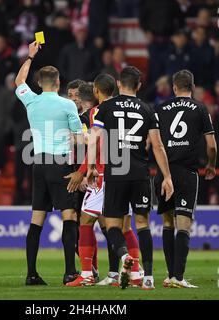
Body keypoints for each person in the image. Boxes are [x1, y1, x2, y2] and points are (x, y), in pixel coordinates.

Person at [87, 66, 174, 290]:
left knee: (113, 224)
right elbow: (157, 145)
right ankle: (148, 278)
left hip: (115, 173)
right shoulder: (147, 109)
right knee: (142, 224)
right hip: (140, 174)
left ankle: (125, 255)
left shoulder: (105, 108)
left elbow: (94, 138)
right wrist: (167, 177)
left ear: (118, 84)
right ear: (139, 85)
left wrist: (90, 167)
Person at [65, 73, 143, 287]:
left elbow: (95, 144)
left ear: (97, 91)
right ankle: (136, 273)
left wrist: (85, 169)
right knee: (125, 226)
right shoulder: (128, 109)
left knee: (85, 221)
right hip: (127, 173)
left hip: (102, 174)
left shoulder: (97, 112)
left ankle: (87, 274)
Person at [15, 41, 83, 286]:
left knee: (37, 220)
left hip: (38, 164)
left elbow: (18, 83)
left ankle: (31, 274)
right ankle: (69, 272)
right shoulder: (68, 105)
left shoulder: (32, 101)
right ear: (58, 83)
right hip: (60, 163)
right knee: (69, 216)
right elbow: (79, 140)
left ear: (39, 83)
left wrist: (30, 56)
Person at [154, 69, 217, 288]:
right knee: (184, 225)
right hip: (187, 172)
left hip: (164, 173)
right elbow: (211, 145)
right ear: (193, 86)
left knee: (167, 222)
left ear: (174, 87)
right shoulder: (200, 108)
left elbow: (150, 142)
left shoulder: (161, 108)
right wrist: (211, 165)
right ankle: (178, 277)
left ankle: (170, 275)